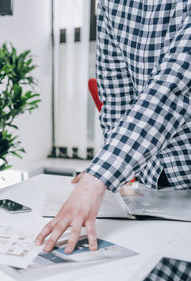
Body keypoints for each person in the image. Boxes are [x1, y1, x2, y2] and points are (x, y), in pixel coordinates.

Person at [36, 0, 190, 255]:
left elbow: (174, 88)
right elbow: (117, 97)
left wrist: (99, 177)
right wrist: (114, 170)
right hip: (155, 185)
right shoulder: (111, 3)